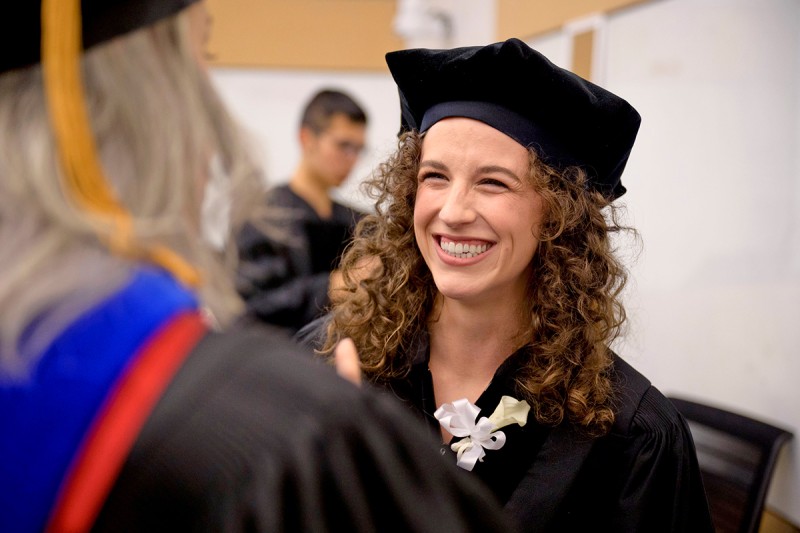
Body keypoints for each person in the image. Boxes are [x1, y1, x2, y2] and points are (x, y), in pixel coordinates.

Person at [0, 2, 513, 532]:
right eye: (205, 51)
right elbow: (245, 304)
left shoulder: (349, 224)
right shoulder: (289, 440)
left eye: (494, 182)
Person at [309, 39, 715, 531]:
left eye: (493, 182)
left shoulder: (631, 437)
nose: (453, 212)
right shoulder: (330, 364)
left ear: (558, 215)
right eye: (435, 176)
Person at [236, 89, 368, 332]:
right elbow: (251, 305)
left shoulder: (359, 222)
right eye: (343, 145)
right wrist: (334, 286)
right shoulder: (263, 217)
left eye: (358, 149)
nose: (352, 159)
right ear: (307, 138)